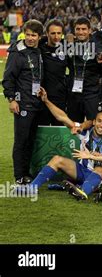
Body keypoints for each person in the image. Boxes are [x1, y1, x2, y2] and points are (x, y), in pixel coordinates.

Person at [25, 87, 102, 193]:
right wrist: (46, 100)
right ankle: (32, 188)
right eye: (99, 121)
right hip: (82, 171)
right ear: (94, 122)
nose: (101, 125)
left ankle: (78, 187)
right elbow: (62, 117)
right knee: (57, 159)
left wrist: (99, 157)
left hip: (98, 175)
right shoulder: (86, 132)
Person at [2, 19, 45, 185]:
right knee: (21, 141)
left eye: (34, 35)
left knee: (31, 140)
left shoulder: (39, 51)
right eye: (27, 34)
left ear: (39, 36)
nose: (30, 38)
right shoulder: (17, 52)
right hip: (23, 103)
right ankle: (19, 176)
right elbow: (8, 78)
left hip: (36, 103)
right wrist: (11, 99)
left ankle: (27, 172)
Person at [66, 17, 102, 123]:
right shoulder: (70, 44)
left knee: (93, 124)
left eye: (84, 29)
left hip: (91, 93)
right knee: (73, 125)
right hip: (74, 93)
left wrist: (101, 58)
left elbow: (101, 54)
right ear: (74, 30)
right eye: (78, 29)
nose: (81, 32)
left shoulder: (96, 45)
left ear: (89, 30)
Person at [37, 19, 67, 126]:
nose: (56, 36)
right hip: (41, 97)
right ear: (47, 34)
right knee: (42, 131)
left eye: (59, 33)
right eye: (53, 33)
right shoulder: (39, 48)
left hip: (60, 98)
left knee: (59, 132)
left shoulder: (66, 48)